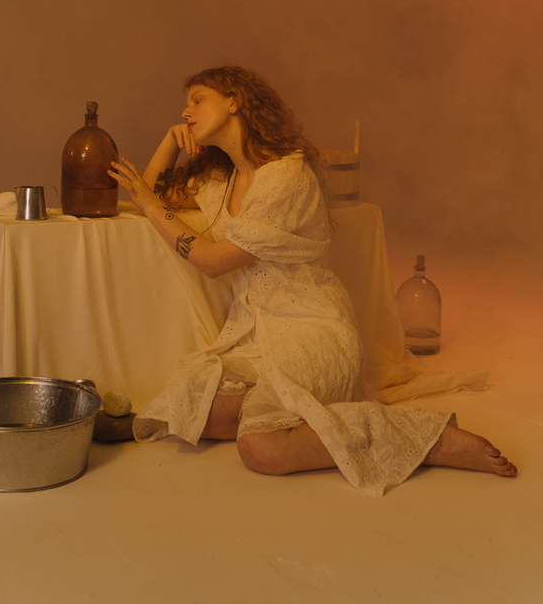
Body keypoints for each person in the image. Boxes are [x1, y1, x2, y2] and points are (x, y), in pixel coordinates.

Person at [108, 66, 517, 494]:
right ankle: (306, 412)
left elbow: (208, 258)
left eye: (197, 99)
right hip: (258, 338)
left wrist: (152, 208)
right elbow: (143, 196)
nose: (186, 109)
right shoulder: (221, 177)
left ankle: (430, 439)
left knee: (261, 449)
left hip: (314, 333)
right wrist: (171, 141)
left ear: (235, 101)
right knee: (185, 409)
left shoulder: (286, 176)